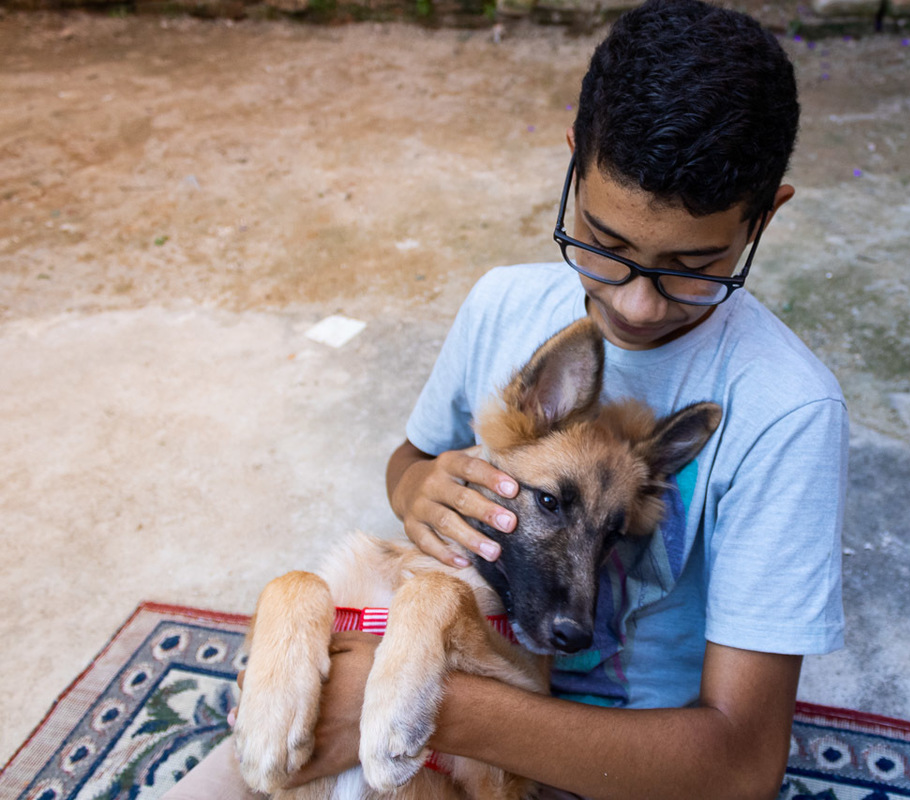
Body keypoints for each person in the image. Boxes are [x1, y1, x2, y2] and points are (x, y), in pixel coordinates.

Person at [165, 1, 845, 798]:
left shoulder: (788, 411)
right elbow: (413, 459)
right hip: (424, 664)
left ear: (763, 216)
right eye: (607, 244)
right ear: (572, 166)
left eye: (693, 265)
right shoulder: (504, 305)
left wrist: (423, 704)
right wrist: (417, 487)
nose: (634, 304)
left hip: (632, 762)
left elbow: (740, 766)